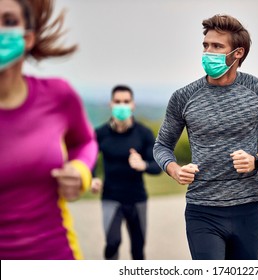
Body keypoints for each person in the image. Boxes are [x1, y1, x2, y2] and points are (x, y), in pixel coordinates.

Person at [153, 14, 258, 260]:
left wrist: (257, 160)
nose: (208, 52)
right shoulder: (183, 97)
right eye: (206, 45)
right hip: (201, 209)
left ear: (237, 53)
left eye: (217, 46)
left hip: (246, 209)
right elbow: (162, 145)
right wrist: (173, 168)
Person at [0, 0, 97, 259]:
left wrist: (80, 172)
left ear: (28, 38)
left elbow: (85, 142)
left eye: (8, 22)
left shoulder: (58, 95)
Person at [91, 85, 161, 260]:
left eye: (126, 101)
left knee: (138, 249)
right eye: (117, 101)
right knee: (112, 242)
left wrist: (143, 164)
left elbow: (157, 166)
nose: (122, 105)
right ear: (111, 104)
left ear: (133, 105)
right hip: (111, 197)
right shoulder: (100, 133)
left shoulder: (143, 133)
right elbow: (89, 159)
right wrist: (92, 178)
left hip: (137, 199)